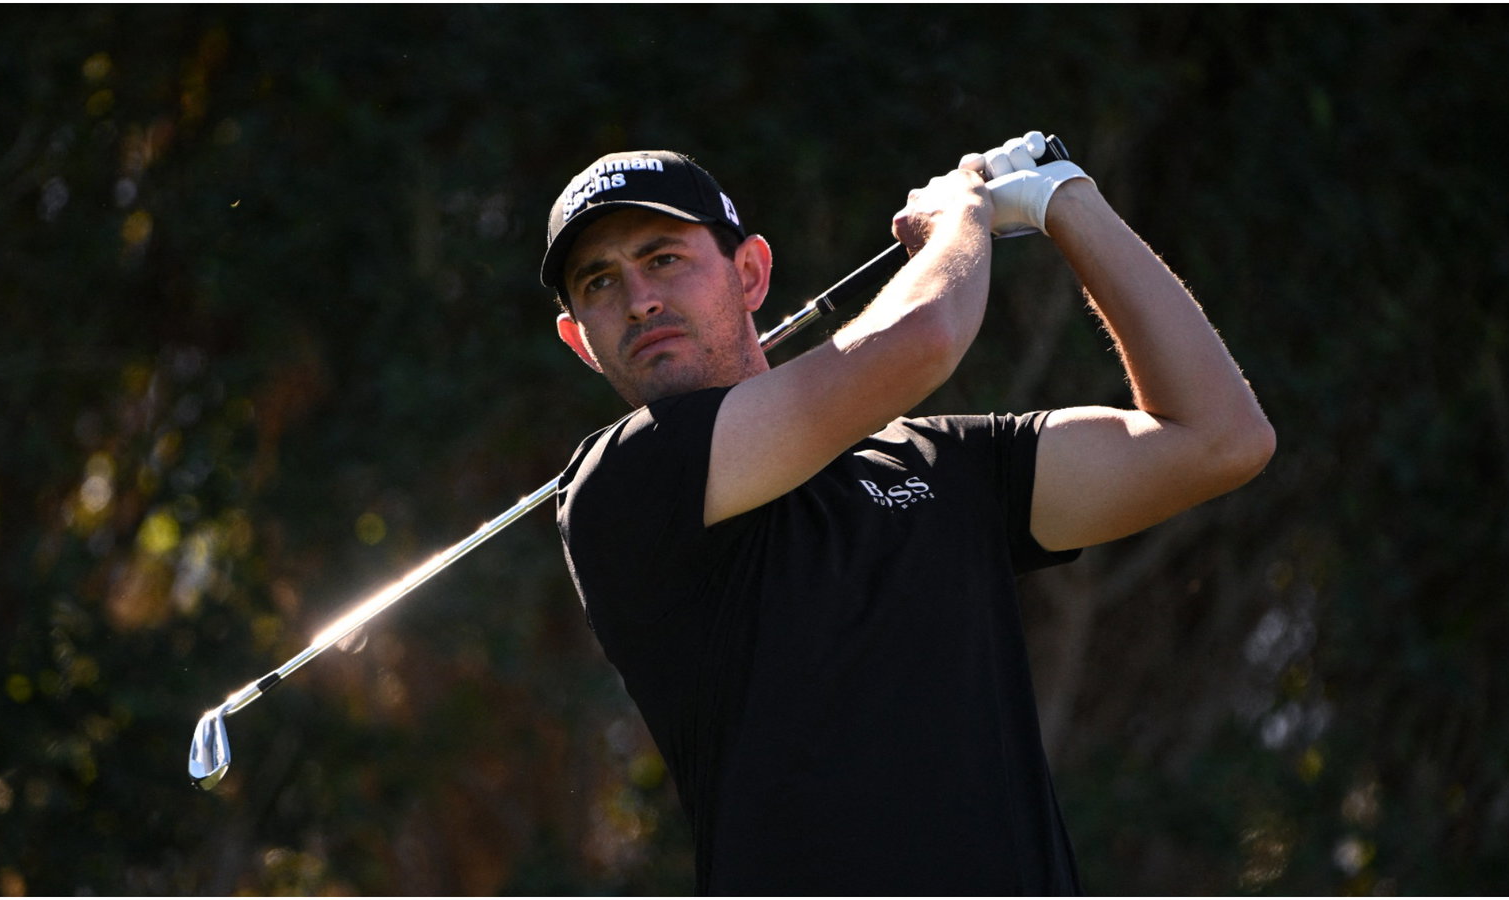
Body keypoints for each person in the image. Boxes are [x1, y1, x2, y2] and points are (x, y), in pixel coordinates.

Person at [539, 133, 1275, 895]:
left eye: (663, 258)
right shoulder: (618, 483)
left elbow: (1220, 439)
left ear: (750, 273)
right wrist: (959, 217)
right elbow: (926, 336)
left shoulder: (940, 463)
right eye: (600, 281)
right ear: (580, 341)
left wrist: (1068, 199)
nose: (639, 299)